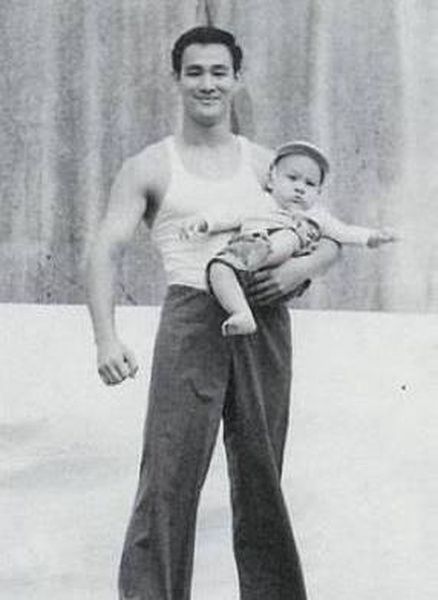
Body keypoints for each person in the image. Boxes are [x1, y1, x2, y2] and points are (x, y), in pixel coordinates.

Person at [86, 26, 340, 600]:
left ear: (237, 79)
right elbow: (105, 249)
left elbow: (329, 234)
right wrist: (105, 339)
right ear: (176, 79)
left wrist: (300, 270)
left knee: (262, 477)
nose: (208, 84)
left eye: (219, 72)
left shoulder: (267, 164)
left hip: (262, 320)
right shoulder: (149, 166)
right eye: (195, 72)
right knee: (168, 477)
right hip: (191, 321)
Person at [180, 140, 397, 335]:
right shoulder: (260, 202)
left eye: (310, 184)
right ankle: (241, 313)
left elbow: (344, 231)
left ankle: (251, 291)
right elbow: (229, 214)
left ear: (318, 193)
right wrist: (203, 221)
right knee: (219, 268)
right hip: (248, 255)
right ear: (271, 180)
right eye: (292, 178)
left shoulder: (316, 215)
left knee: (286, 237)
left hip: (280, 261)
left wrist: (373, 237)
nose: (300, 188)